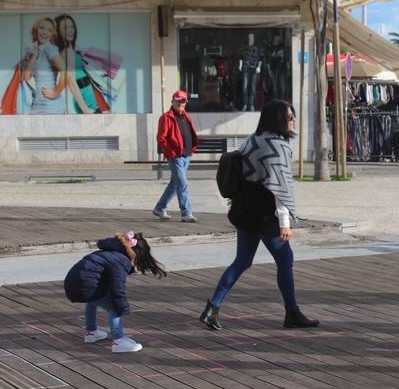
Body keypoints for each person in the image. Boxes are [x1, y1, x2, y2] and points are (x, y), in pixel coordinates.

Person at [199, 99, 319, 330]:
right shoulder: (278, 146)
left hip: (245, 212)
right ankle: (292, 313)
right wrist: (284, 222)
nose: (293, 120)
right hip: (266, 216)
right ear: (278, 119)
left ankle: (212, 308)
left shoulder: (251, 140)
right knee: (285, 260)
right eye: (290, 116)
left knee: (242, 261)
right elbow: (280, 188)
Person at [64, 231, 167, 353]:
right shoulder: (121, 260)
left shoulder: (108, 252)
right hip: (86, 286)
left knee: (92, 300)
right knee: (113, 305)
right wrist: (122, 307)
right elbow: (117, 289)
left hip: (71, 284)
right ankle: (119, 341)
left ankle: (91, 333)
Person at [153, 90, 199, 222]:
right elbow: (161, 138)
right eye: (178, 101)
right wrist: (171, 152)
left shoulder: (186, 116)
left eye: (183, 101)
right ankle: (186, 213)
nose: (180, 104)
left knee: (175, 184)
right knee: (182, 184)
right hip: (176, 156)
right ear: (172, 102)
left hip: (186, 155)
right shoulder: (166, 117)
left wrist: (192, 149)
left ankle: (160, 208)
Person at [54, 14, 102, 114]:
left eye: (72, 27)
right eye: (65, 27)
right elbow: (71, 81)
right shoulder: (67, 52)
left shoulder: (71, 50)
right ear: (58, 31)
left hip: (88, 95)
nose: (70, 30)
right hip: (86, 99)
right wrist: (85, 109)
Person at [22, 17, 68, 114]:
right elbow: (26, 78)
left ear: (52, 34)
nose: (44, 32)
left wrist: (56, 92)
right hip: (37, 106)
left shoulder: (50, 49)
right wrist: (34, 56)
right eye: (42, 28)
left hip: (52, 108)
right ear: (36, 30)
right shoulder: (36, 50)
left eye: (49, 30)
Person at [239, 32, 263, 111]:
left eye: (252, 36)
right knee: (245, 87)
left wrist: (259, 67)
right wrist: (240, 65)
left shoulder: (258, 46)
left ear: (254, 37)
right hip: (246, 68)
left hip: (254, 68)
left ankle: (252, 105)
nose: (251, 38)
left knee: (253, 87)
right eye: (249, 36)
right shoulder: (244, 46)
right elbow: (241, 56)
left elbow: (261, 57)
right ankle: (245, 105)